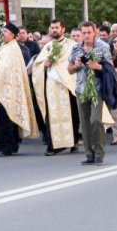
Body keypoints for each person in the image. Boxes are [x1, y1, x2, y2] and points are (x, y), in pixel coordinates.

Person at [30, 19, 79, 156]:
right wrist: (44, 64)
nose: (54, 30)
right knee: (52, 115)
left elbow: (76, 63)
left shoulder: (72, 45)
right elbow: (37, 65)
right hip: (52, 86)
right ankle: (54, 145)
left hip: (67, 84)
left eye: (56, 27)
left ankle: (73, 142)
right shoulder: (48, 46)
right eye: (52, 28)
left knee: (72, 115)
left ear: (63, 29)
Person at [0, 22, 37, 156]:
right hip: (3, 88)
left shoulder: (13, 49)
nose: (3, 34)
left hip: (9, 89)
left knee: (6, 118)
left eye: (5, 32)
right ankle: (8, 145)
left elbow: (5, 69)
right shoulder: (5, 47)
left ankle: (8, 146)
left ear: (12, 35)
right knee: (4, 118)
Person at [67, 21, 112, 166]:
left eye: (89, 32)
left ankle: (99, 153)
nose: (86, 35)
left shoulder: (102, 47)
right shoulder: (76, 48)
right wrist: (76, 66)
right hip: (81, 89)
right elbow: (69, 69)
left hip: (97, 89)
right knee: (85, 123)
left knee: (96, 120)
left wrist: (97, 66)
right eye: (84, 33)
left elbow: (111, 68)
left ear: (95, 32)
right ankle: (89, 154)